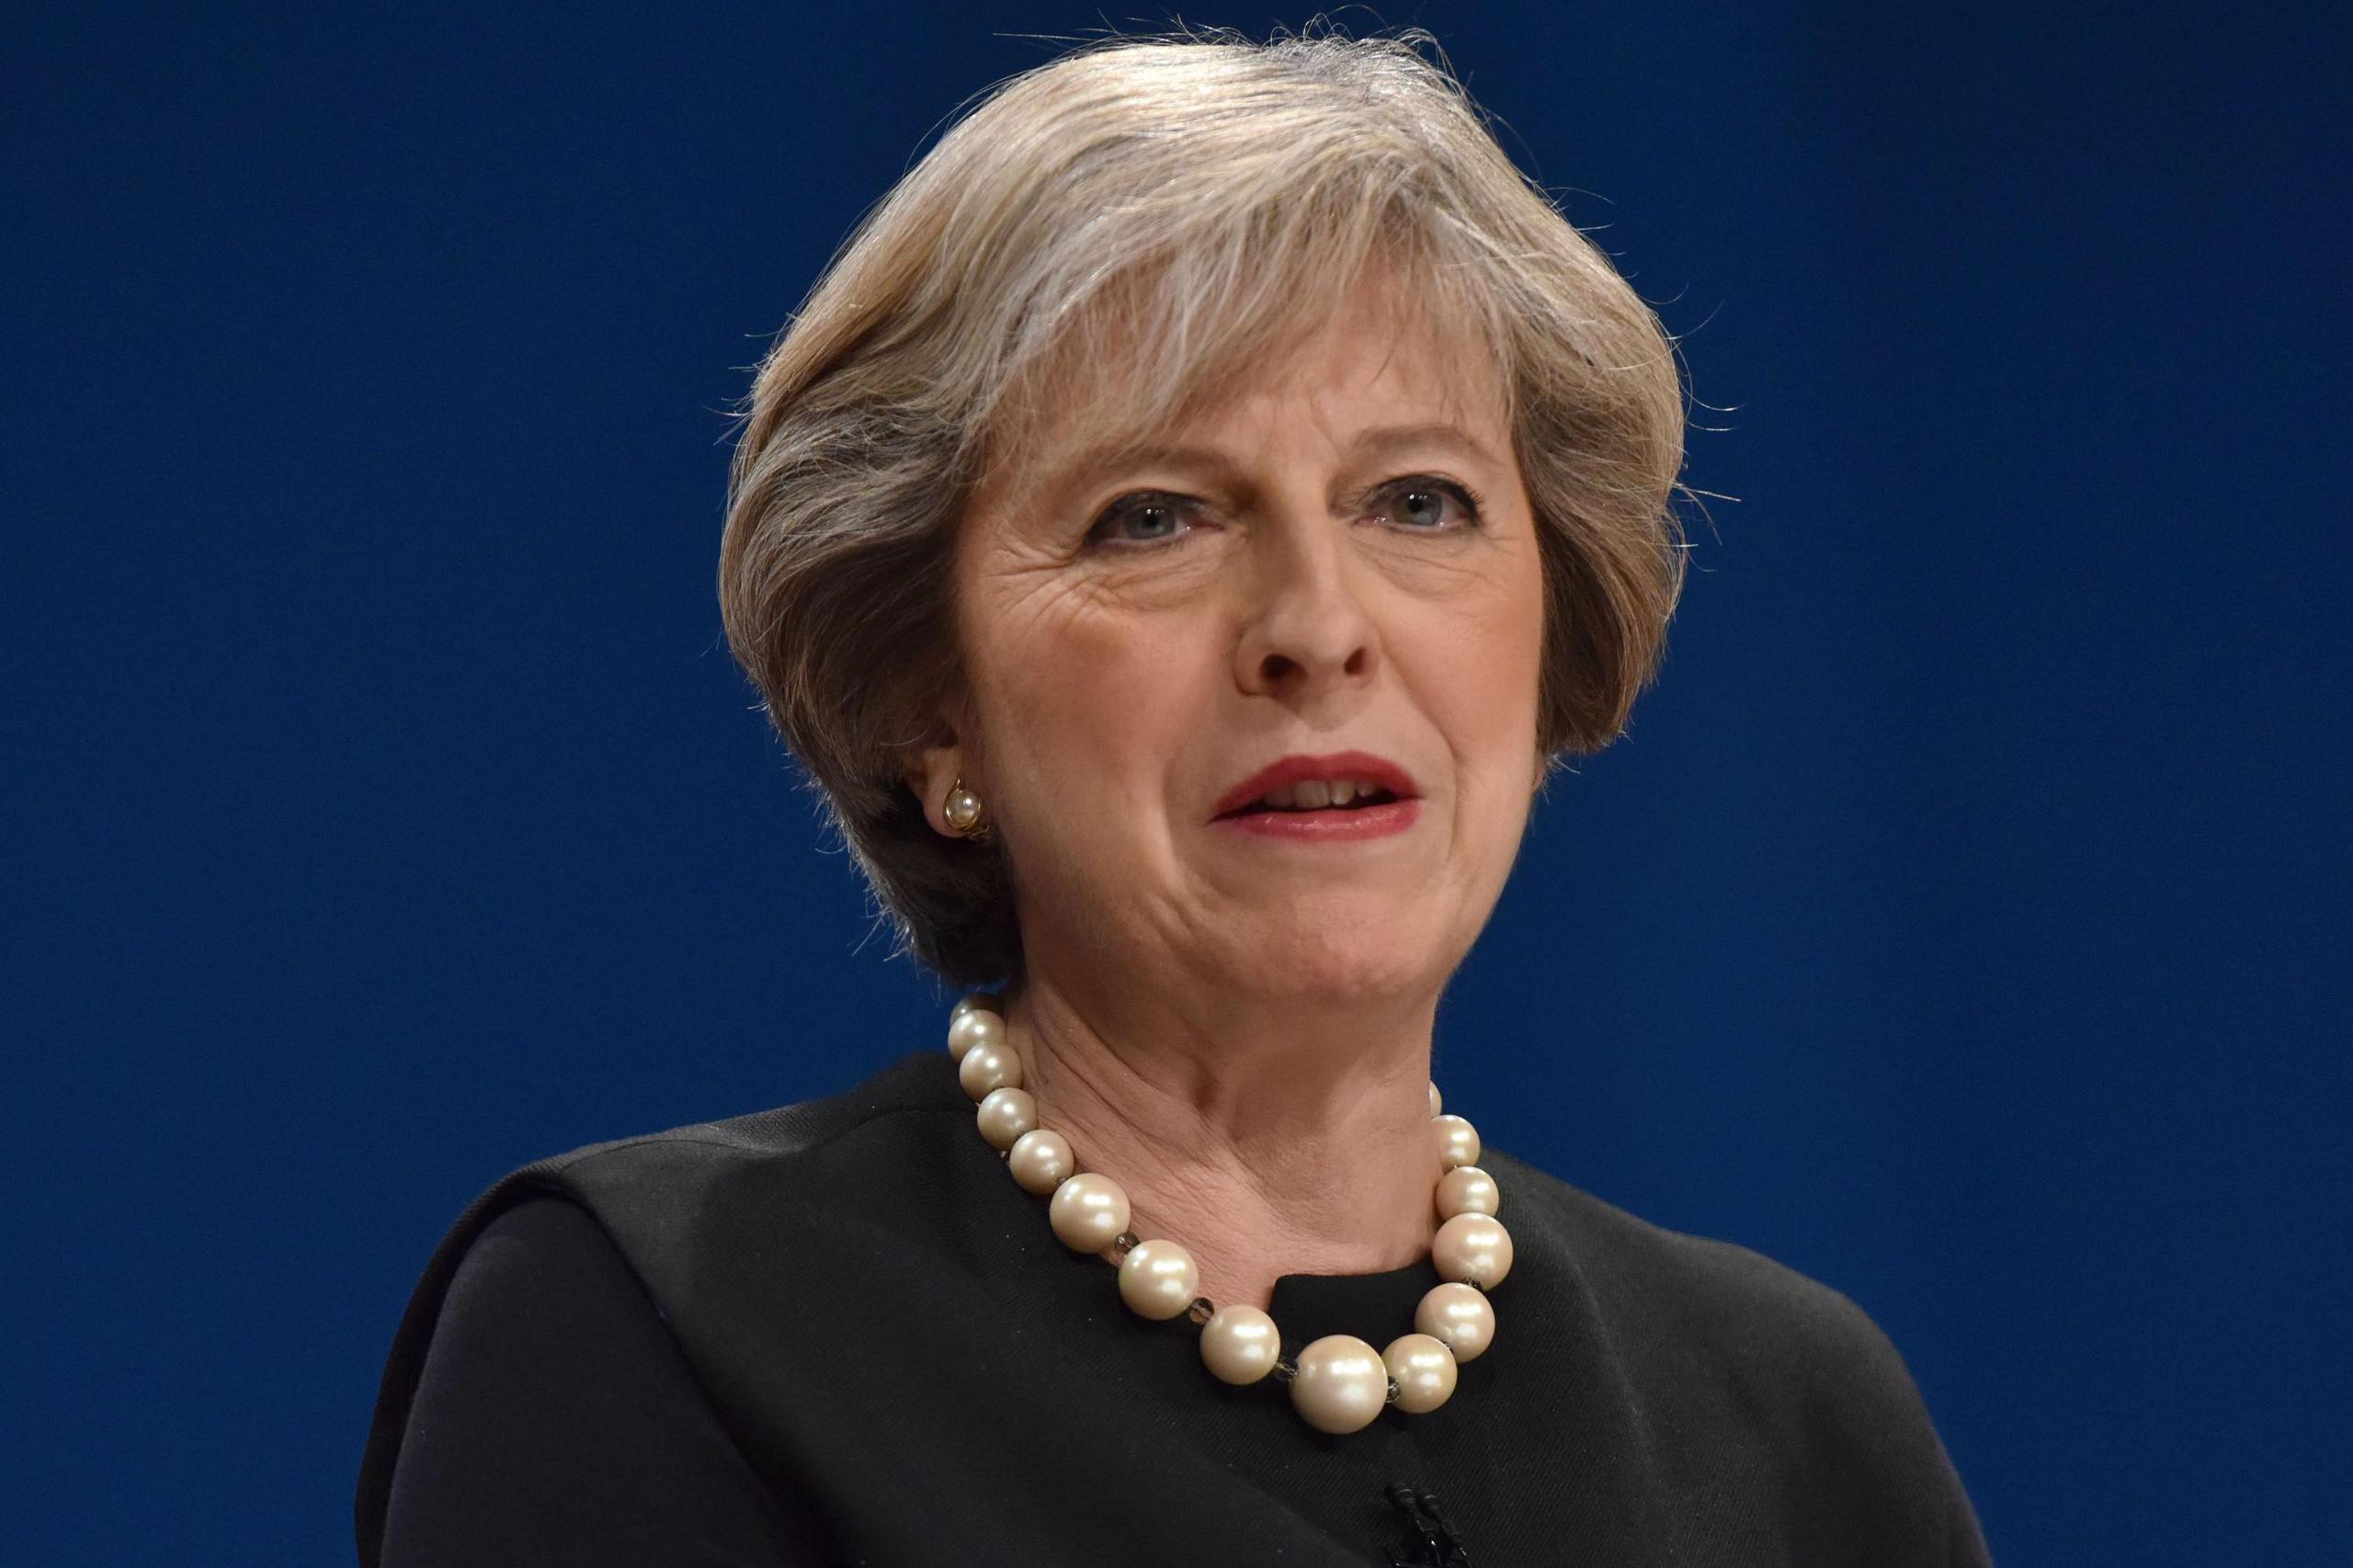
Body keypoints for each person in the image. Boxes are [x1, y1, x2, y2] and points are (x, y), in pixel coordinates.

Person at [356, 27, 1993, 1567]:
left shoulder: (1799, 1429)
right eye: (1154, 518)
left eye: (1417, 502)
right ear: (932, 708)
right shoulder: (667, 1325)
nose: (1318, 630)